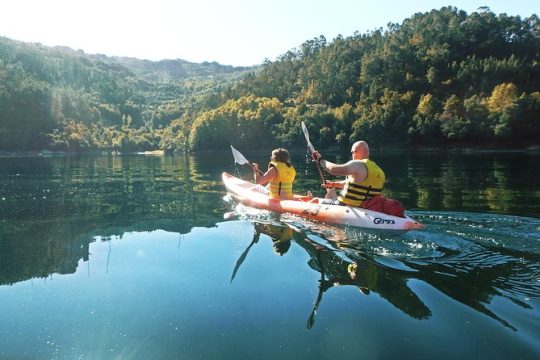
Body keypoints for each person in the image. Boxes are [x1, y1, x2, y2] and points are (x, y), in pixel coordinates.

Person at [312, 141, 385, 207]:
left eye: (352, 152)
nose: (352, 155)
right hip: (367, 208)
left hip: (347, 205)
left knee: (315, 201)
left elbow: (333, 169)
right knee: (331, 192)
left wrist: (320, 160)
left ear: (355, 152)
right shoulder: (380, 171)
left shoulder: (357, 164)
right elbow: (355, 185)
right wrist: (333, 184)